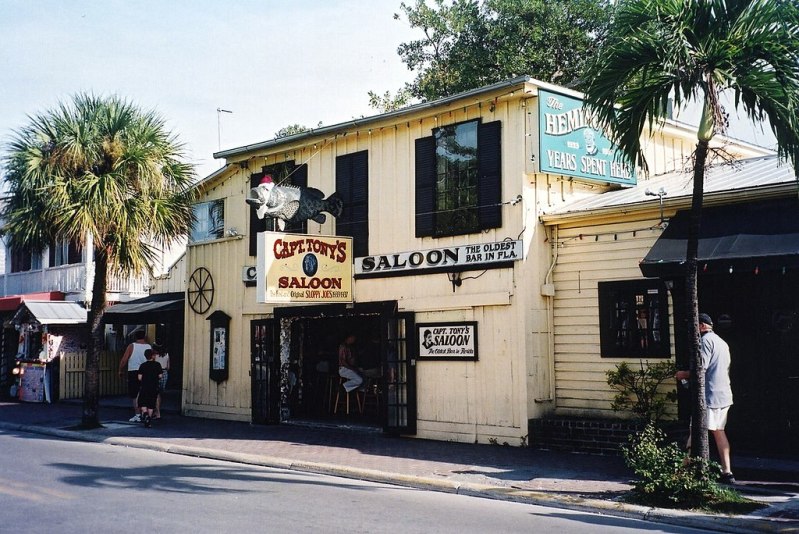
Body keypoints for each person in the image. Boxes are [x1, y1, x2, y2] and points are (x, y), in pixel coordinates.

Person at [675, 313, 735, 484]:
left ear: (701, 326)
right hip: (723, 394)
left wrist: (682, 374)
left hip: (708, 395)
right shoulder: (722, 343)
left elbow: (701, 370)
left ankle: (684, 472)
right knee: (719, 432)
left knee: (695, 433)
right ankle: (727, 471)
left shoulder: (705, 341)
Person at [118, 330, 151, 422]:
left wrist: (120, 369)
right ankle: (146, 412)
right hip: (146, 371)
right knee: (144, 392)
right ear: (144, 336)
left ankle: (137, 414)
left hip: (134, 370)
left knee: (135, 393)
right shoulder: (149, 346)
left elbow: (124, 359)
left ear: (135, 337)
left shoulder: (132, 346)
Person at [137, 348, 163, 428]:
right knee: (151, 404)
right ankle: (149, 419)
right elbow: (160, 376)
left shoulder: (142, 365)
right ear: (153, 356)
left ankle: (145, 413)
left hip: (145, 386)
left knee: (143, 402)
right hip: (154, 386)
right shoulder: (157, 365)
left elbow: (139, 377)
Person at [153, 344, 170, 420]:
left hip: (156, 373)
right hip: (165, 373)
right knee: (159, 393)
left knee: (155, 393)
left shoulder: (155, 356)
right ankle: (156, 411)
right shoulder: (166, 354)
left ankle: (157, 412)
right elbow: (168, 367)